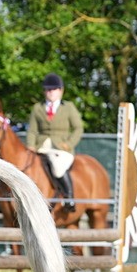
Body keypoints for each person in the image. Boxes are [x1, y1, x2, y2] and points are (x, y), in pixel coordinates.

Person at [27, 73, 84, 209]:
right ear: (44, 91)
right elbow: (32, 130)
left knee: (58, 168)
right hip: (41, 146)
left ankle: (69, 197)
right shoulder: (37, 108)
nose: (51, 92)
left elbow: (78, 128)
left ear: (60, 91)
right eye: (48, 89)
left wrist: (69, 144)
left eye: (54, 89)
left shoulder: (68, 107)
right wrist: (30, 145)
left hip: (61, 148)